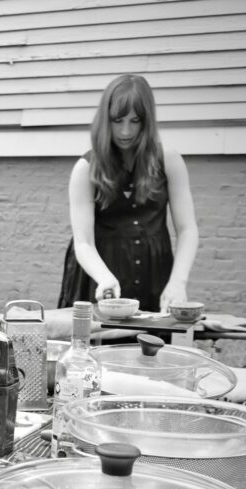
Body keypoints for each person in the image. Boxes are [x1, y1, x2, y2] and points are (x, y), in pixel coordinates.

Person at [58, 74, 200, 313]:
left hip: (154, 275)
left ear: (147, 121)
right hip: (98, 276)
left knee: (153, 347)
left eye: (135, 121)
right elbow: (83, 242)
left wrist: (178, 282)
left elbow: (188, 229)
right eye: (118, 120)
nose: (126, 131)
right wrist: (104, 278)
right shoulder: (86, 168)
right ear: (106, 119)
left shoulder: (169, 160)